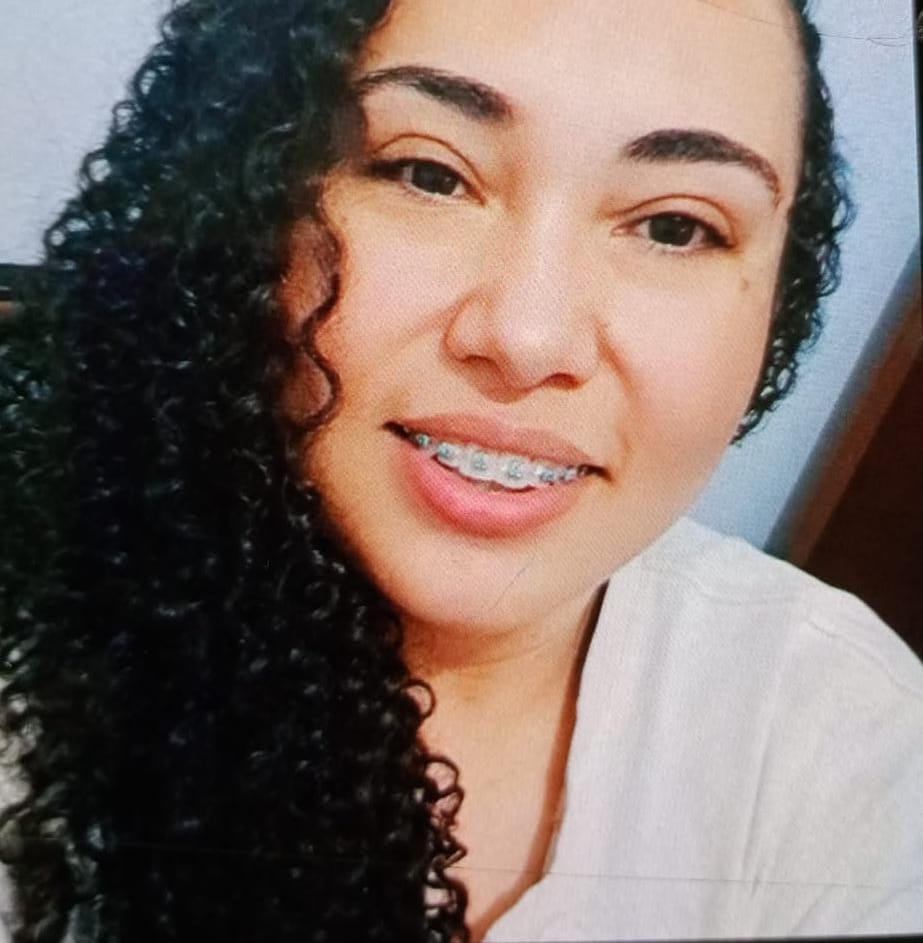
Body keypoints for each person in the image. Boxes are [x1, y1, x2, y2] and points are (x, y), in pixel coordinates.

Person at [0, 0, 920, 941]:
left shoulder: (841, 729)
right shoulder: (30, 683)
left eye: (675, 227)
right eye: (427, 174)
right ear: (243, 203)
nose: (527, 339)